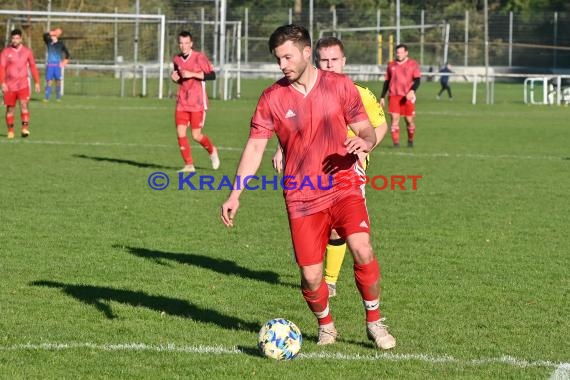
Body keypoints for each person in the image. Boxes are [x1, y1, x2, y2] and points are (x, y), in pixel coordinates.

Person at [220, 24, 396, 350]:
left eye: (287, 56)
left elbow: (367, 130)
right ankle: (326, 325)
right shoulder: (272, 98)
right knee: (312, 276)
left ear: (305, 51)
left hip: (343, 183)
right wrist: (235, 194)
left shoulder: (341, 87)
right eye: (278, 59)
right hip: (300, 196)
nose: (283, 64)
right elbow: (255, 147)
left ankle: (374, 320)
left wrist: (365, 141)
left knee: (361, 247)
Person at [272, 36, 388, 298]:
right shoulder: (305, 92)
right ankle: (317, 266)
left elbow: (379, 127)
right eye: (324, 60)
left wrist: (366, 147)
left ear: (344, 61)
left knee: (342, 230)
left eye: (334, 60)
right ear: (316, 61)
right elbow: (295, 129)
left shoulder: (358, 92)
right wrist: (280, 149)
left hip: (347, 170)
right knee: (320, 229)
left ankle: (330, 280)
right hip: (311, 171)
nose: (329, 65)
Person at [171, 30, 219, 173]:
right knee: (180, 133)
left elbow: (212, 76)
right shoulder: (177, 60)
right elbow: (180, 79)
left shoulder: (199, 58)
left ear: (191, 44)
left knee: (196, 135)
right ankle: (189, 165)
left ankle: (212, 151)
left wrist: (192, 74)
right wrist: (175, 79)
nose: (184, 46)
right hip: (182, 103)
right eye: (181, 43)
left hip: (197, 103)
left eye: (186, 43)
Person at [0, 28, 41, 139]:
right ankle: (11, 131)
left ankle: (24, 129)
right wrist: (2, 83)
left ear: (21, 39)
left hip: (23, 85)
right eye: (13, 38)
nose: (14, 40)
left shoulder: (27, 52)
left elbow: (32, 66)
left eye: (17, 38)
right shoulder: (5, 52)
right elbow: (2, 68)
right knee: (10, 109)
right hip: (9, 86)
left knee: (24, 106)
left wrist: (37, 82)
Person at [379, 44, 421, 148]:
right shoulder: (391, 65)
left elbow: (417, 80)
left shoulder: (413, 64)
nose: (399, 54)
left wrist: (412, 91)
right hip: (394, 96)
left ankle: (410, 140)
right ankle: (396, 143)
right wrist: (382, 96)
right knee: (394, 118)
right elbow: (387, 81)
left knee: (409, 121)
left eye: (401, 52)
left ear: (406, 53)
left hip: (407, 97)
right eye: (397, 52)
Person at [43, 27, 70, 102]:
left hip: (57, 66)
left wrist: (65, 61)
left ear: (57, 36)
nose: (52, 36)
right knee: (49, 81)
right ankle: (47, 97)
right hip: (50, 65)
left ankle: (58, 97)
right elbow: (44, 35)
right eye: (52, 35)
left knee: (58, 81)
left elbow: (67, 53)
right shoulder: (48, 42)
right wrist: (52, 32)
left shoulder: (61, 44)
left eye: (54, 35)